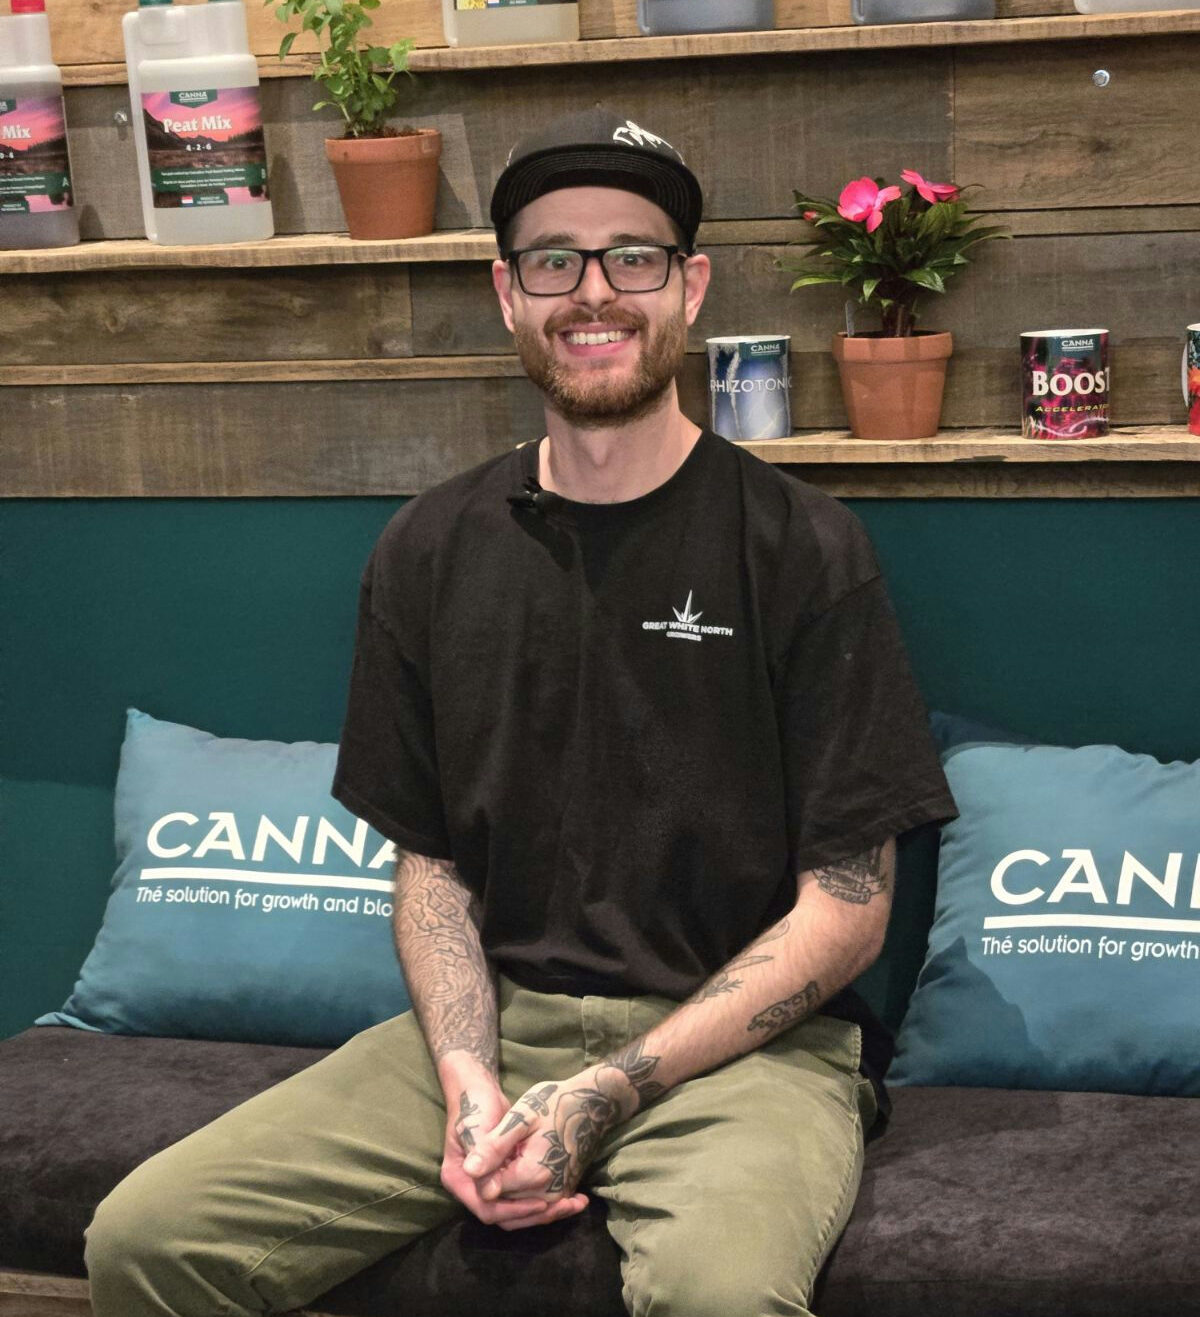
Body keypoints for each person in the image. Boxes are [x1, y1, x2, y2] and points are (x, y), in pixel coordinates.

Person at [85, 108, 957, 1317]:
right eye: (554, 260)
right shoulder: (427, 549)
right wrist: (468, 1084)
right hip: (501, 1027)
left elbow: (849, 911)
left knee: (721, 1295)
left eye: (632, 257)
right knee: (147, 1241)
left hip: (742, 1051)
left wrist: (611, 1090)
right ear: (507, 294)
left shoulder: (803, 547)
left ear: (691, 286)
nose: (593, 292)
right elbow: (431, 867)